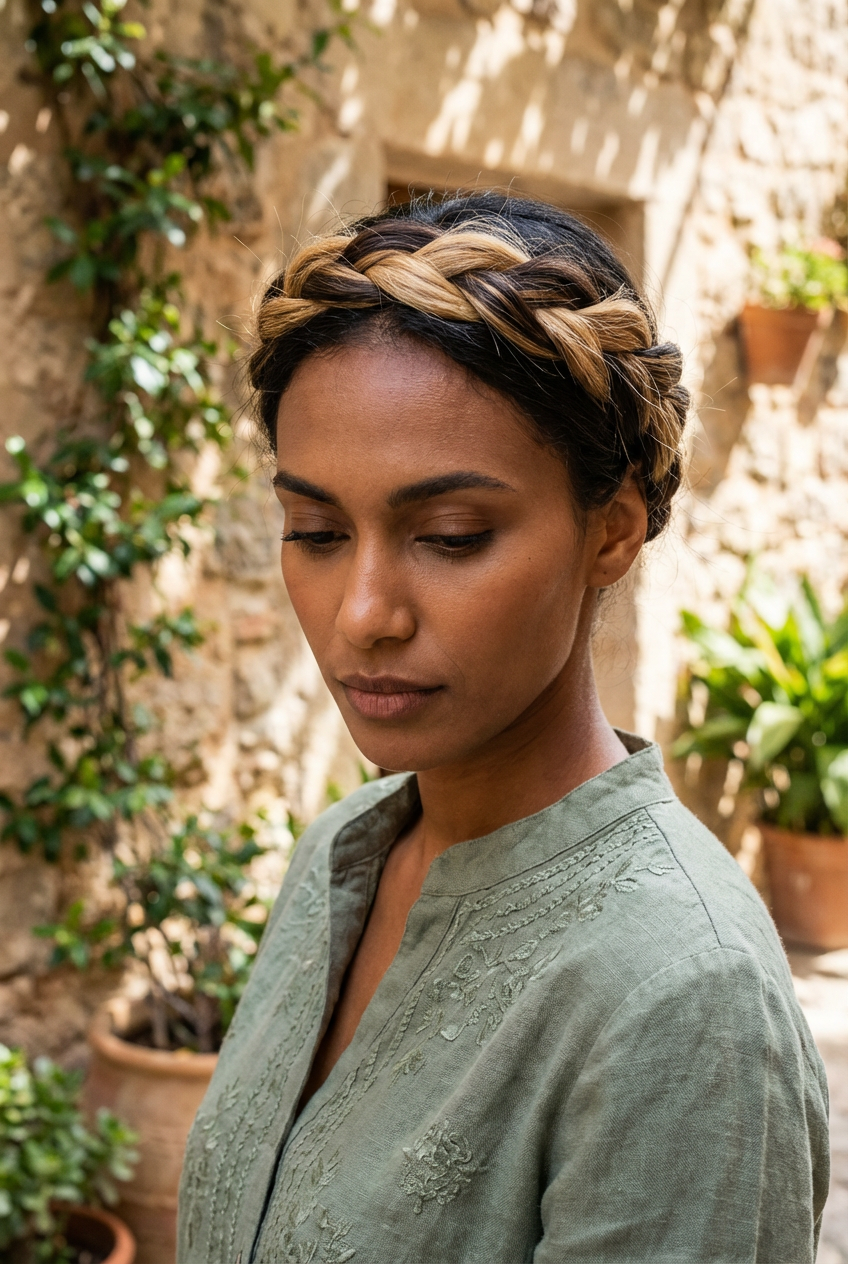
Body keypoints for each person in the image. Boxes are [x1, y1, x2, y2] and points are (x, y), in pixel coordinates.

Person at [177, 192, 828, 1264]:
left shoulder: (681, 1000)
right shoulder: (338, 858)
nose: (363, 613)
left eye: (449, 533)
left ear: (609, 529)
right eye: (316, 530)